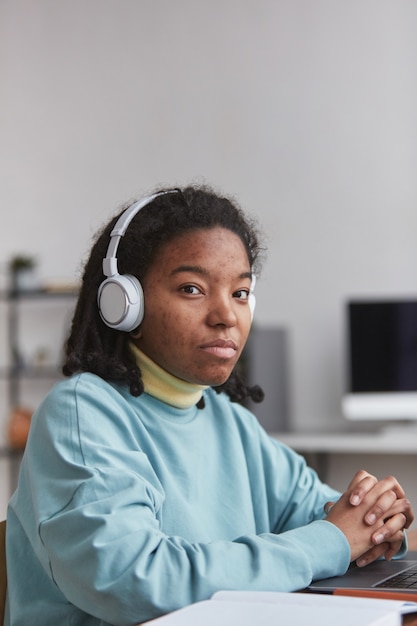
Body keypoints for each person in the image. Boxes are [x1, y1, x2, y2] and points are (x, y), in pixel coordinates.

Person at [5, 185, 414, 626]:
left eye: (240, 293)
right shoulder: (82, 414)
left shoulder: (229, 422)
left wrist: (374, 522)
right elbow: (137, 580)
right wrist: (333, 541)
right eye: (193, 288)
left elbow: (322, 515)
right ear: (124, 304)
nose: (227, 315)